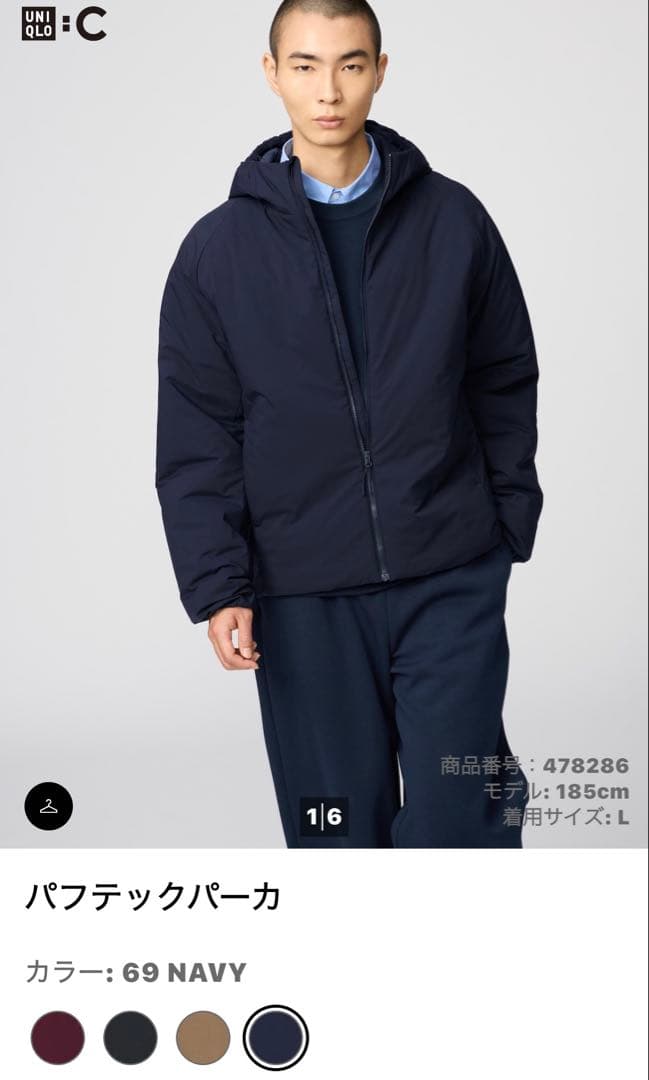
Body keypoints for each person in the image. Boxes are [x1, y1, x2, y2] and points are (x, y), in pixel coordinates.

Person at [155, 0, 543, 848]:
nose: (327, 90)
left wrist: (504, 524)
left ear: (379, 71)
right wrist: (219, 585)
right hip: (302, 592)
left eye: (349, 64)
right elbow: (198, 434)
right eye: (304, 65)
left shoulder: (452, 220)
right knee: (334, 832)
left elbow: (503, 376)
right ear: (272, 74)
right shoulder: (217, 252)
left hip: (449, 572)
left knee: (466, 815)